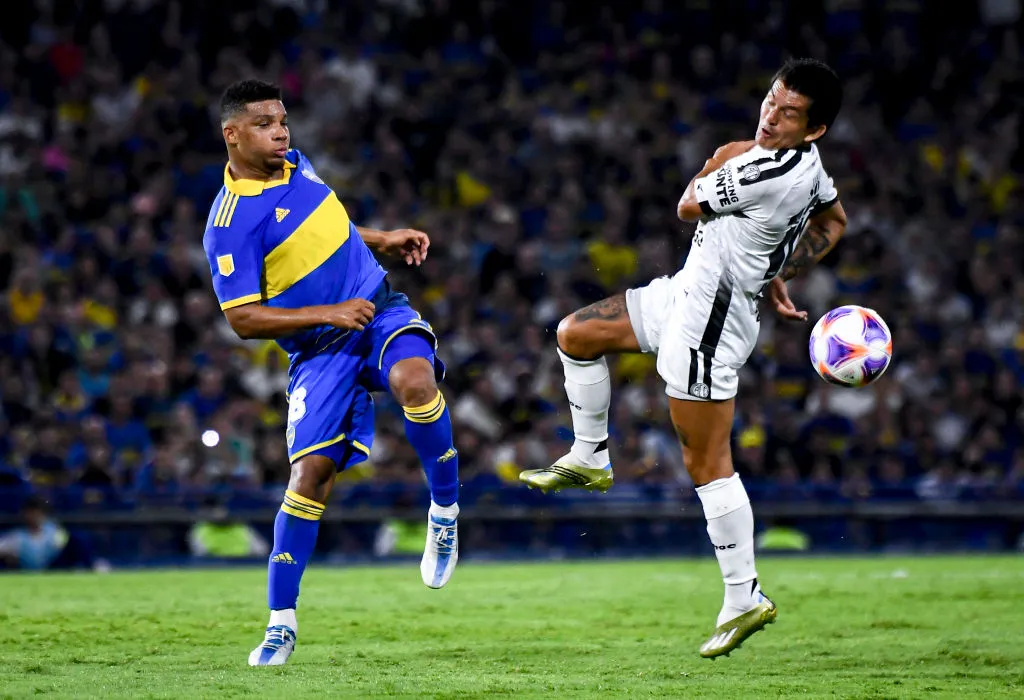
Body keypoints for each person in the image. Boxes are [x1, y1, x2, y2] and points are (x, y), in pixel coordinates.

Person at [520, 59, 847, 658]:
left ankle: (743, 596)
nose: (771, 117)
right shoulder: (811, 167)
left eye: (789, 114)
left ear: (814, 130)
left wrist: (721, 158)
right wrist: (779, 268)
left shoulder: (758, 165)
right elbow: (833, 218)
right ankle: (591, 457)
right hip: (686, 290)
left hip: (710, 324)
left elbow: (687, 206)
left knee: (708, 465)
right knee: (575, 335)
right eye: (771, 101)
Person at [204, 80, 461, 666]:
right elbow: (243, 318)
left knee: (415, 382)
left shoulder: (296, 165)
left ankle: (444, 512)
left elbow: (328, 225)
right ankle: (281, 623)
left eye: (283, 121)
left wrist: (381, 239)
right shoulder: (229, 224)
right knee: (309, 477)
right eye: (265, 124)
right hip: (320, 348)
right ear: (233, 135)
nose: (281, 133)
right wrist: (329, 314)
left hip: (376, 309)